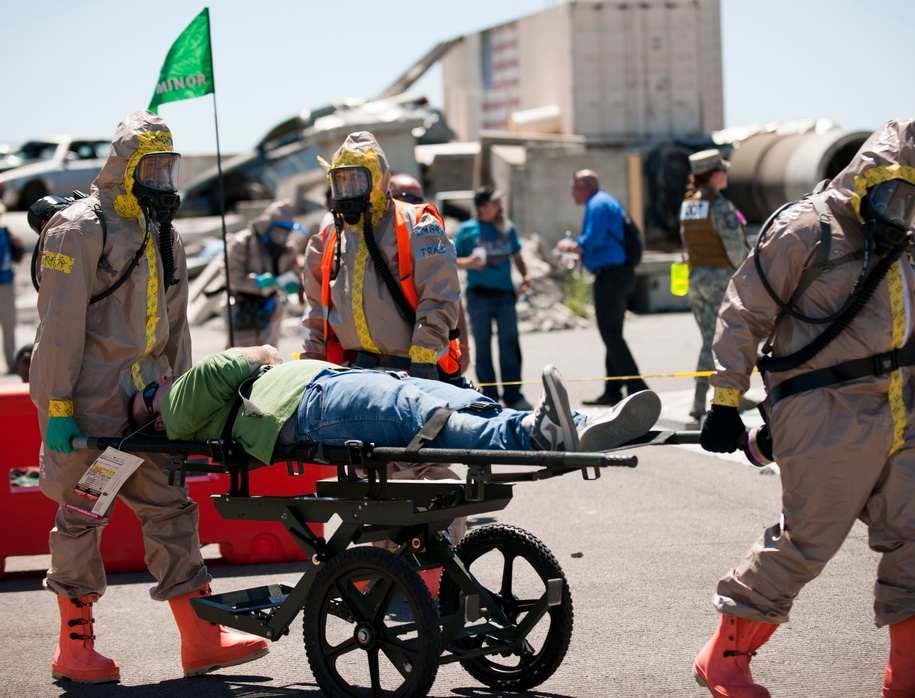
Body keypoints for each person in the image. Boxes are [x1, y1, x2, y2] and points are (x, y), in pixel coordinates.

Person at [694, 119, 915, 698]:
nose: (899, 207)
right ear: (864, 182)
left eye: (911, 198)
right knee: (806, 541)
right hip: (823, 411)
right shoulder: (806, 227)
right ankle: (723, 658)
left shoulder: (912, 244)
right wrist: (725, 400)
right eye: (890, 194)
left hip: (901, 411)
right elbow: (743, 311)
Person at [29, 110, 268, 684]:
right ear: (126, 167)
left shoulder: (166, 235)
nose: (163, 177)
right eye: (151, 166)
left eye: (169, 166)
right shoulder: (79, 229)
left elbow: (178, 329)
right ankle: (74, 647)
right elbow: (56, 329)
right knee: (82, 517)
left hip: (150, 407)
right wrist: (56, 408)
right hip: (91, 412)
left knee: (171, 511)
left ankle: (200, 638)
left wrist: (188, 400)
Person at [302, 131, 467, 542]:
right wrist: (306, 380)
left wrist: (424, 364)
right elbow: (316, 318)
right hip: (356, 383)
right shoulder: (326, 242)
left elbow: (440, 299)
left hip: (414, 376)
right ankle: (391, 577)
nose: (348, 191)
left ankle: (449, 573)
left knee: (426, 475)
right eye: (339, 182)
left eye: (357, 180)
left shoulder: (419, 225)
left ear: (379, 179)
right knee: (369, 485)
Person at [128, 346, 663, 463]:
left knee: (457, 399)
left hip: (323, 389)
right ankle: (533, 437)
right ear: (150, 411)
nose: (161, 381)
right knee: (418, 413)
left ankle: (577, 424)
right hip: (309, 405)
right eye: (147, 391)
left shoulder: (176, 401)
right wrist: (263, 352)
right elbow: (227, 366)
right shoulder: (173, 407)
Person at [559, 169, 650, 405]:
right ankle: (612, 389)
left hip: (612, 276)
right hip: (618, 275)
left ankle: (636, 386)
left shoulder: (598, 204)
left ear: (586, 186)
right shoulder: (604, 201)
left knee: (610, 333)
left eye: (574, 188)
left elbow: (593, 240)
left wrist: (570, 246)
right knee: (613, 333)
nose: (571, 194)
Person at [679, 149, 750, 424]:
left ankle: (723, 395)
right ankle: (699, 402)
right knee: (716, 342)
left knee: (711, 341)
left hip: (696, 279)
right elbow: (736, 251)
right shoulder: (721, 206)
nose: (727, 175)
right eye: (724, 170)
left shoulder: (688, 205)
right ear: (715, 174)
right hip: (720, 281)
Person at [454, 185, 532, 409]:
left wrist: (525, 275)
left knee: (510, 343)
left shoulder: (508, 228)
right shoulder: (467, 229)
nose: (499, 206)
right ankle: (489, 395)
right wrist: (469, 262)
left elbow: (517, 255)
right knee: (483, 344)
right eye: (494, 202)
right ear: (481, 207)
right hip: (479, 296)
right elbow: (452, 260)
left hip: (506, 295)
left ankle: (514, 395)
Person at [389, 173, 471, 376]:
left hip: (429, 361)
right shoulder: (376, 240)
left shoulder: (426, 231)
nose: (416, 204)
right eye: (408, 197)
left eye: (419, 199)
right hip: (391, 362)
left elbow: (449, 296)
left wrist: (465, 348)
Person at [225, 200, 305, 350]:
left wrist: (293, 282)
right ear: (268, 225)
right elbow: (231, 276)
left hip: (272, 310)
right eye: (279, 229)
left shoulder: (288, 249)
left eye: (286, 231)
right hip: (242, 307)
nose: (282, 235)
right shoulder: (243, 242)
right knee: (241, 360)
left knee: (269, 358)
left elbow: (294, 271)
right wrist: (256, 282)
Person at [0, 223, 23, 373]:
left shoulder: (6, 232)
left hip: (6, 283)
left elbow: (17, 257)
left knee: (9, 324)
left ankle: (11, 361)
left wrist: (17, 245)